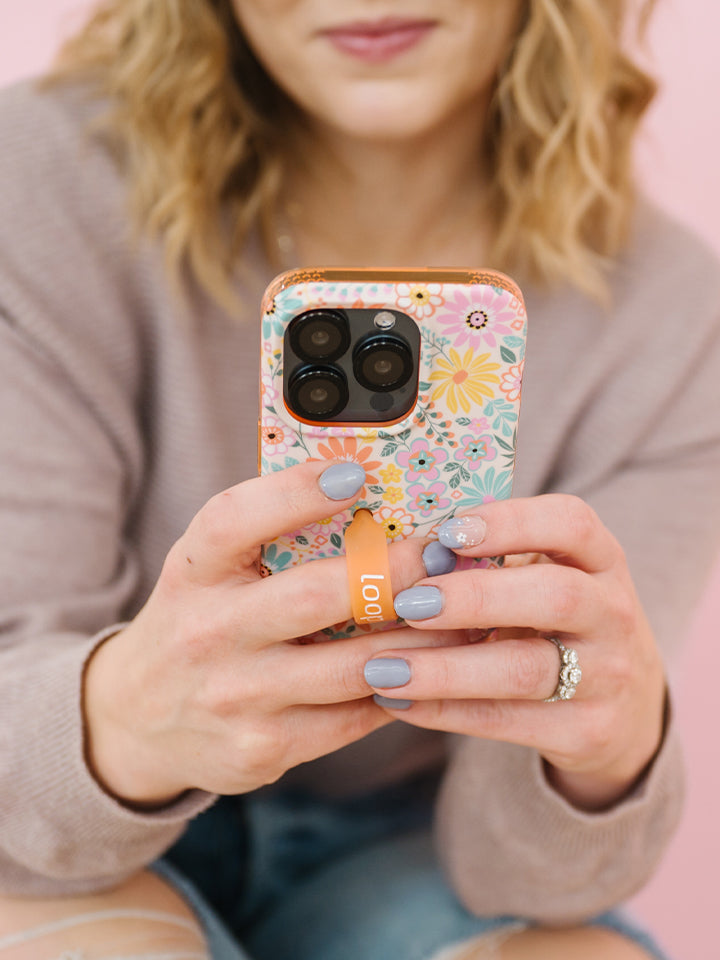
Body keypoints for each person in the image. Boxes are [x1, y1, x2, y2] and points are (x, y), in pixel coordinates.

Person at [0, 1, 718, 958]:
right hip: (89, 827)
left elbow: (528, 883)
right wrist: (126, 717)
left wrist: (605, 753)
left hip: (409, 838)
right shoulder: (38, 185)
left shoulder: (676, 319)